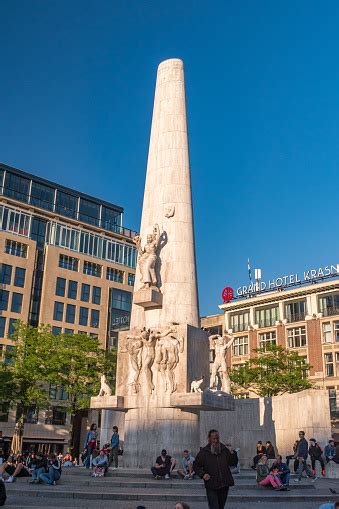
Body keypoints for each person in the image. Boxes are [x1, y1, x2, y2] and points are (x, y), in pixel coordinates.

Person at [193, 429, 238, 509]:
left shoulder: (224, 449)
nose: (216, 441)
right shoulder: (204, 452)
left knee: (221, 507)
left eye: (217, 438)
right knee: (214, 507)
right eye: (214, 438)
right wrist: (202, 474)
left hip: (224, 484)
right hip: (211, 484)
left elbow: (233, 462)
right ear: (209, 439)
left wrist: (232, 452)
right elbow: (196, 465)